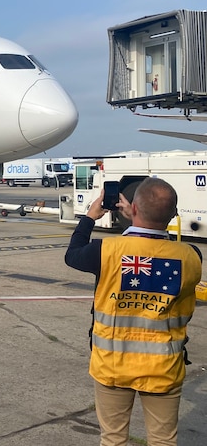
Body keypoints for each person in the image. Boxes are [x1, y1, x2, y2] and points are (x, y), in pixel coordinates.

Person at [64, 177, 202, 446]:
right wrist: (144, 218)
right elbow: (166, 249)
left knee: (113, 439)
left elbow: (73, 254)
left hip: (113, 365)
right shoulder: (191, 256)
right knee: (163, 440)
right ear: (173, 215)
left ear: (134, 209)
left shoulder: (106, 251)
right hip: (164, 367)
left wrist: (91, 217)